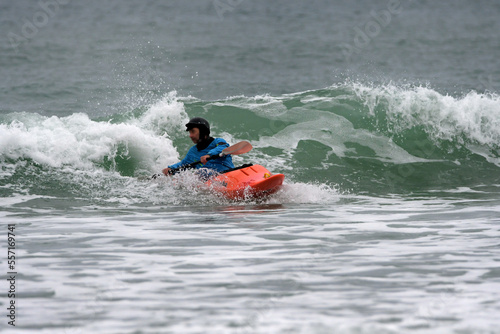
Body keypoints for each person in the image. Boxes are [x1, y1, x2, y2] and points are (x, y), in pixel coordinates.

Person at [162, 117, 234, 176]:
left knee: (202, 172)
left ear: (203, 132)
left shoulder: (217, 142)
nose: (190, 135)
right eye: (190, 132)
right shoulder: (193, 152)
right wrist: (171, 169)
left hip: (229, 174)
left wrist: (209, 155)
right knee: (198, 174)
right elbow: (183, 164)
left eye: (193, 131)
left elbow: (224, 147)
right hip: (211, 182)